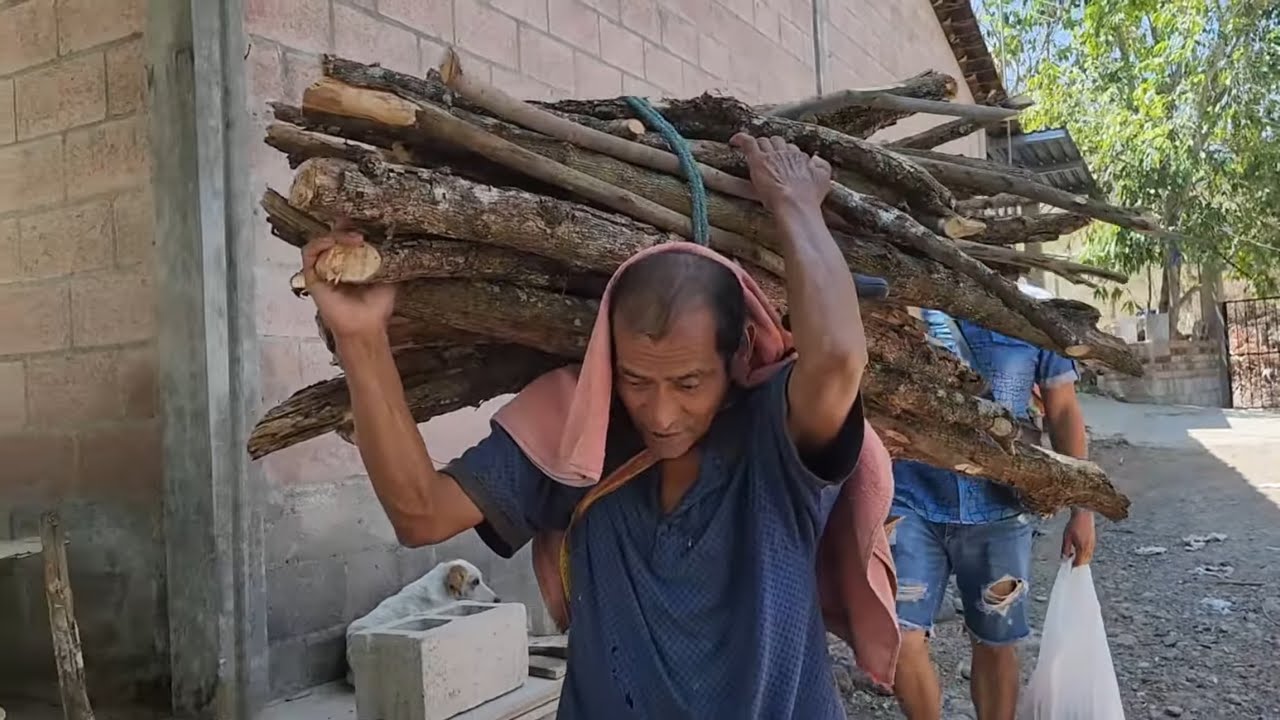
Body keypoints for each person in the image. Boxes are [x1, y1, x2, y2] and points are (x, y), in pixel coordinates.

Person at [301, 134, 888, 719]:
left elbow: (836, 358)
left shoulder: (777, 439)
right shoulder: (573, 432)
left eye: (688, 383)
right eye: (636, 380)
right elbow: (420, 512)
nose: (660, 415)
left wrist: (795, 204)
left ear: (738, 356)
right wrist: (361, 338)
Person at [890, 284, 1096, 720]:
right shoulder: (906, 294)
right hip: (909, 497)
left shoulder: (1035, 310)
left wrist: (1083, 509)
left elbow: (1062, 412)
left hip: (1000, 508)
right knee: (897, 635)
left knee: (996, 640)